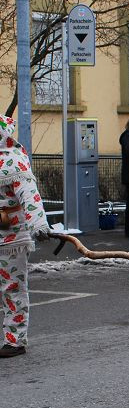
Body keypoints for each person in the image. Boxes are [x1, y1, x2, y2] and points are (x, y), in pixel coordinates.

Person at [0, 116, 50, 358]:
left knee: (12, 288)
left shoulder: (13, 161)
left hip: (12, 239)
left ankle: (15, 340)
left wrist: (39, 225)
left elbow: (31, 197)